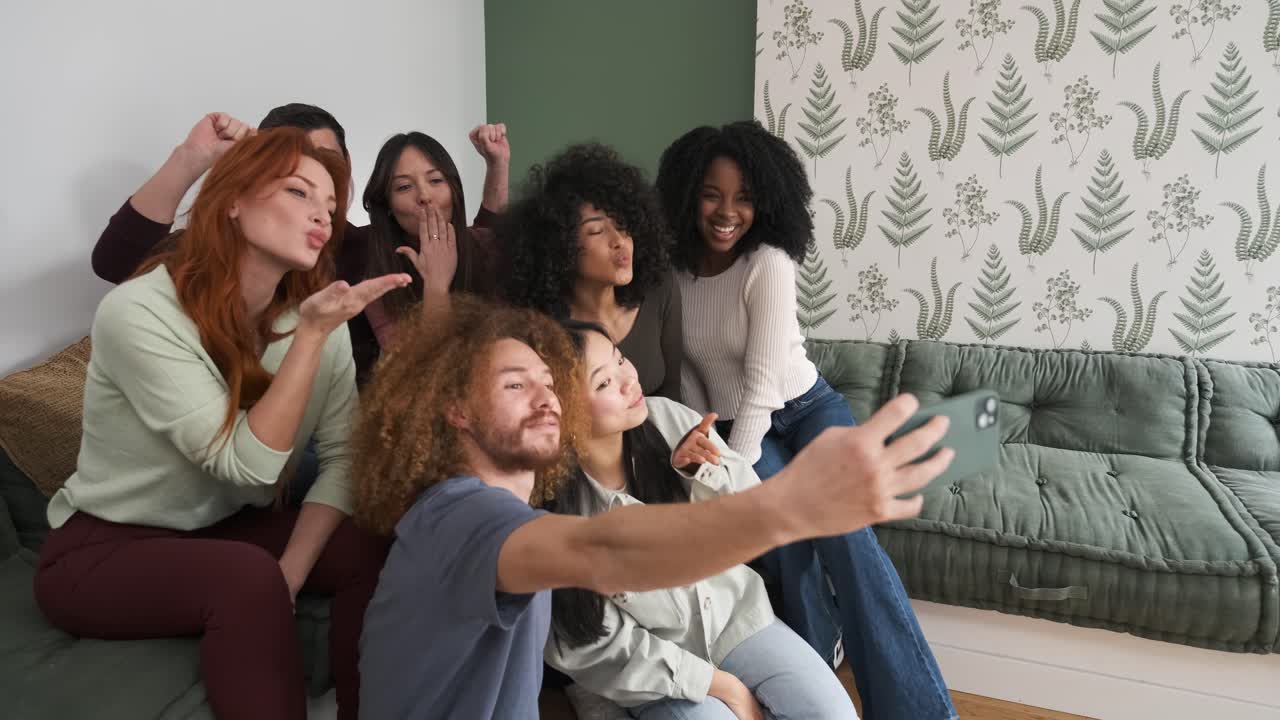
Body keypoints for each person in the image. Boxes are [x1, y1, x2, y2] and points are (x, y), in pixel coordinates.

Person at [350, 296, 953, 719]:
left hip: (735, 629)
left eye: (548, 381)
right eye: (516, 385)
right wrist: (793, 504)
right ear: (455, 410)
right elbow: (604, 552)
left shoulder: (513, 508)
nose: (546, 399)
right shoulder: (460, 517)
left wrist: (713, 477)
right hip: (657, 672)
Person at [35, 128, 411, 720]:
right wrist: (311, 337)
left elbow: (345, 460)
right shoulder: (140, 312)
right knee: (245, 578)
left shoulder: (317, 316)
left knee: (370, 542)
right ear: (233, 200)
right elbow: (245, 464)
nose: (321, 214)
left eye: (331, 206)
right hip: (101, 548)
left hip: (222, 526)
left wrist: (289, 575)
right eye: (298, 191)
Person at [655, 120, 957, 720]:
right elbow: (687, 373)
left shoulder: (767, 262)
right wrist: (702, 444)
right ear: (688, 193)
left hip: (800, 407)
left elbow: (764, 384)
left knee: (848, 534)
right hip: (732, 419)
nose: (727, 211)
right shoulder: (673, 274)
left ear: (765, 200)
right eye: (712, 194)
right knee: (782, 533)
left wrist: (733, 477)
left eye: (743, 197)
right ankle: (816, 671)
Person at [546, 319, 857, 720]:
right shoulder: (560, 514)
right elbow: (591, 640)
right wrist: (723, 687)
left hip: (738, 620)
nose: (628, 379)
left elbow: (753, 513)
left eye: (621, 359)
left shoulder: (668, 419)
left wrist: (703, 474)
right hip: (655, 671)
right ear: (564, 411)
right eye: (604, 382)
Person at [88, 104, 510, 382]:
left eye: (326, 162)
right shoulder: (237, 249)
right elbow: (116, 262)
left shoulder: (375, 248)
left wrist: (496, 166)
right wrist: (191, 159)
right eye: (295, 174)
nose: (315, 177)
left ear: (346, 169)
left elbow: (478, 242)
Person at [501, 143, 682, 401]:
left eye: (622, 224)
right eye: (597, 231)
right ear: (561, 248)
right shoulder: (541, 327)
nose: (619, 240)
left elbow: (673, 396)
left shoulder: (660, 287)